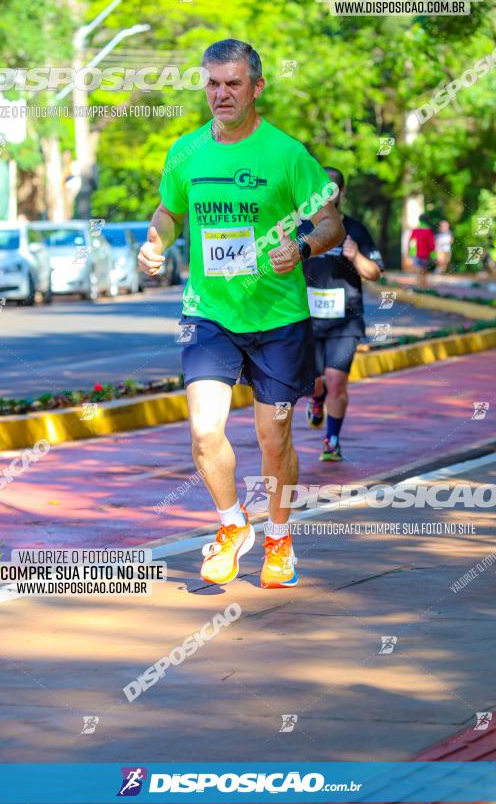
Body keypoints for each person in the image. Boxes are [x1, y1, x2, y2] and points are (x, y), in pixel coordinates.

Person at [138, 39, 344, 589]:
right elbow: (168, 211)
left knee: (272, 437)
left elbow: (331, 224)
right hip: (209, 313)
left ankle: (279, 537)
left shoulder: (287, 154)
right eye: (212, 83)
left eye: (233, 83)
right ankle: (234, 524)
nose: (221, 94)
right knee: (205, 433)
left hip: (278, 316)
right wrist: (155, 242)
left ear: (256, 87)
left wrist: (302, 248)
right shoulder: (185, 153)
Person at [301, 168, 384, 461]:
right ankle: (316, 398)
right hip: (306, 319)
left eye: (333, 189)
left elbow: (374, 273)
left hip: (345, 320)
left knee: (336, 379)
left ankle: (332, 441)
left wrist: (356, 255)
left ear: (342, 193)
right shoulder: (300, 228)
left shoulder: (356, 231)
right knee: (315, 380)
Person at [409, 217, 436, 288]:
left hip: (416, 254)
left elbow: (412, 243)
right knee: (424, 272)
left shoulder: (415, 230)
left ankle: (418, 286)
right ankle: (423, 287)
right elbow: (431, 245)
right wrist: (433, 256)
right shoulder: (428, 231)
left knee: (418, 271)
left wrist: (411, 254)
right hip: (425, 255)